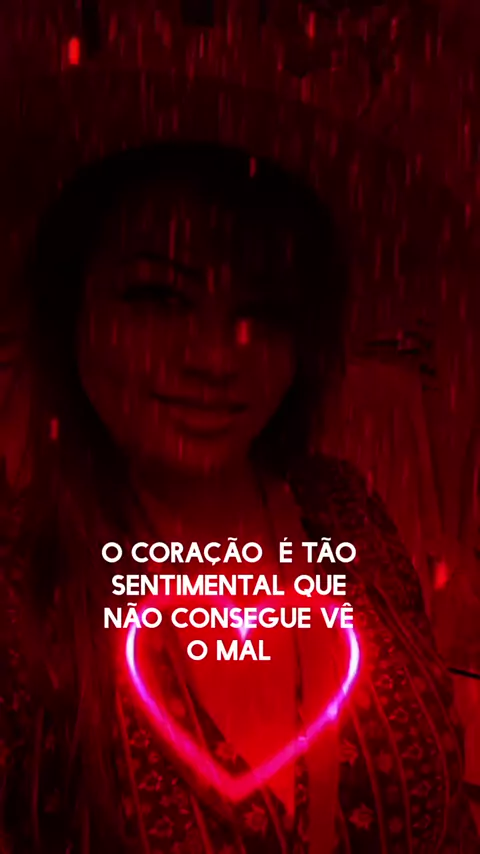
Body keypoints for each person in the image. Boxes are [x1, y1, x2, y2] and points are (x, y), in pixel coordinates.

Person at [0, 141, 476, 854]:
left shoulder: (347, 513)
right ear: (71, 313)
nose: (219, 357)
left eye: (266, 310)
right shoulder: (20, 594)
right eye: (159, 296)